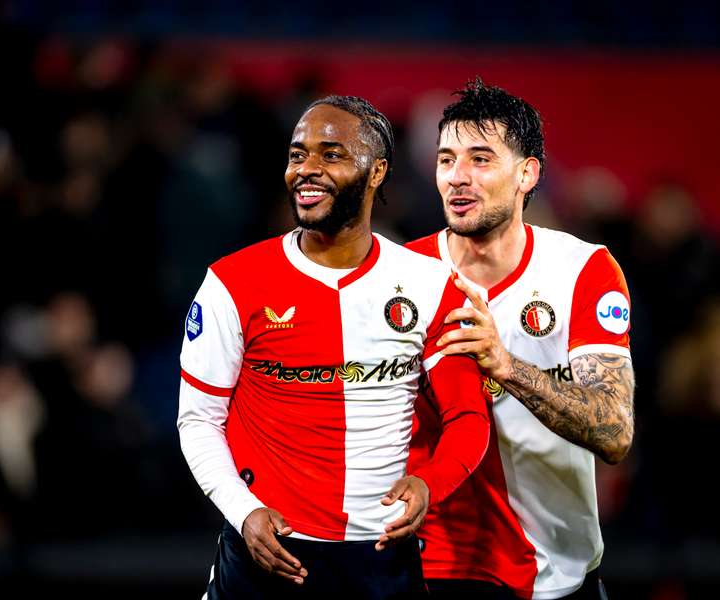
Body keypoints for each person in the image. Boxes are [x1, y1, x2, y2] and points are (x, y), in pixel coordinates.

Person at [178, 95, 491, 599]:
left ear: (376, 172)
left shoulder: (431, 285)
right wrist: (243, 512)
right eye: (298, 154)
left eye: (331, 154)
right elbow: (198, 419)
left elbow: (468, 418)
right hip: (267, 550)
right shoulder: (232, 283)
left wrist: (432, 483)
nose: (307, 169)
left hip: (381, 559)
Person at [406, 79, 635, 599]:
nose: (457, 177)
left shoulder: (583, 271)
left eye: (481, 159)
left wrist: (504, 365)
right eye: (446, 160)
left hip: (558, 574)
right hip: (437, 568)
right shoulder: (400, 276)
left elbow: (615, 432)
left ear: (527, 174)